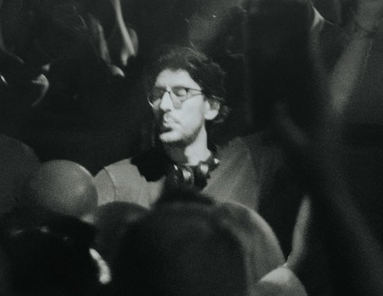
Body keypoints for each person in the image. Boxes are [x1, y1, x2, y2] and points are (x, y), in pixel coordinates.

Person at [93, 45, 260, 212]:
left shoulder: (247, 162)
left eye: (180, 94)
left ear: (211, 107)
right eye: (158, 95)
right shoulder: (114, 181)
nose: (164, 105)